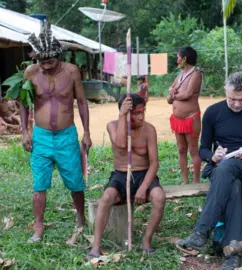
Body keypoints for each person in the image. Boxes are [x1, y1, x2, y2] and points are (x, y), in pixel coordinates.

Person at [176, 72, 242, 270]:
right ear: (225, 91)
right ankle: (233, 254)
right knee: (233, 186)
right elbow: (202, 149)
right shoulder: (213, 112)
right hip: (221, 168)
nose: (237, 104)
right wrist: (212, 157)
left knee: (227, 169)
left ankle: (202, 231)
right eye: (232, 99)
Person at [20, 21, 92, 243]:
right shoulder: (30, 73)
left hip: (66, 136)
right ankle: (39, 227)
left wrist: (87, 132)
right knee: (39, 183)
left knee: (75, 181)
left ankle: (80, 219)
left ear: (59, 56)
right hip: (40, 137)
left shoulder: (72, 72)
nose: (46, 66)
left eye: (50, 61)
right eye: (41, 62)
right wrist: (25, 131)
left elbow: (81, 102)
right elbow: (23, 103)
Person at [89, 94, 166, 258]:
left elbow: (154, 163)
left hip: (144, 174)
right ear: (125, 112)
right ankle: (96, 246)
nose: (141, 116)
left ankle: (146, 241)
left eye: (143, 112)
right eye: (136, 113)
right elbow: (122, 144)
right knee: (106, 198)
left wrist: (143, 187)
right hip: (121, 175)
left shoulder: (149, 129)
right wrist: (122, 115)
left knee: (159, 197)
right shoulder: (112, 126)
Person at [167, 46, 202, 184]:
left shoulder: (196, 74)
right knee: (181, 149)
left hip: (191, 118)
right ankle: (185, 180)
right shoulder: (180, 75)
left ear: (185, 59)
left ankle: (196, 181)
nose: (177, 60)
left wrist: (173, 93)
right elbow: (169, 96)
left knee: (193, 150)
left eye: (178, 57)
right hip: (177, 120)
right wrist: (172, 94)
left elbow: (187, 94)